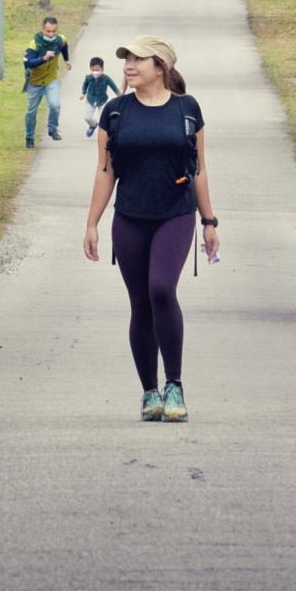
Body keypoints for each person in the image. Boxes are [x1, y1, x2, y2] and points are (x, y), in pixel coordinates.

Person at [83, 35, 218, 423]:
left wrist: (209, 222)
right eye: (127, 58)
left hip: (176, 213)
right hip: (130, 217)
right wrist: (91, 222)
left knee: (161, 288)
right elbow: (105, 171)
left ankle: (174, 383)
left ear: (160, 67)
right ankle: (149, 392)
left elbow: (200, 169)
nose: (129, 65)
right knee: (140, 303)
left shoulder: (187, 109)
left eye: (139, 59)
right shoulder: (115, 111)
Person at [23, 16, 71, 148]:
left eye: (53, 31)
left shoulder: (60, 39)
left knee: (55, 105)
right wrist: (44, 58)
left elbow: (64, 46)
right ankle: (29, 137)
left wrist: (66, 60)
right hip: (35, 81)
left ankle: (52, 129)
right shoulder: (34, 43)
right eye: (48, 31)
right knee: (31, 111)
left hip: (51, 79)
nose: (51, 34)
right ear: (42, 29)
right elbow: (30, 63)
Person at [80, 57, 120, 137]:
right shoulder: (88, 78)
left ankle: (106, 133)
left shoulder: (106, 78)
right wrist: (83, 93)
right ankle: (93, 125)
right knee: (87, 118)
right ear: (90, 69)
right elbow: (85, 85)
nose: (95, 72)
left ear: (102, 69)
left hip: (102, 100)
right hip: (90, 99)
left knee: (103, 118)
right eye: (93, 70)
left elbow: (113, 86)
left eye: (97, 70)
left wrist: (119, 94)